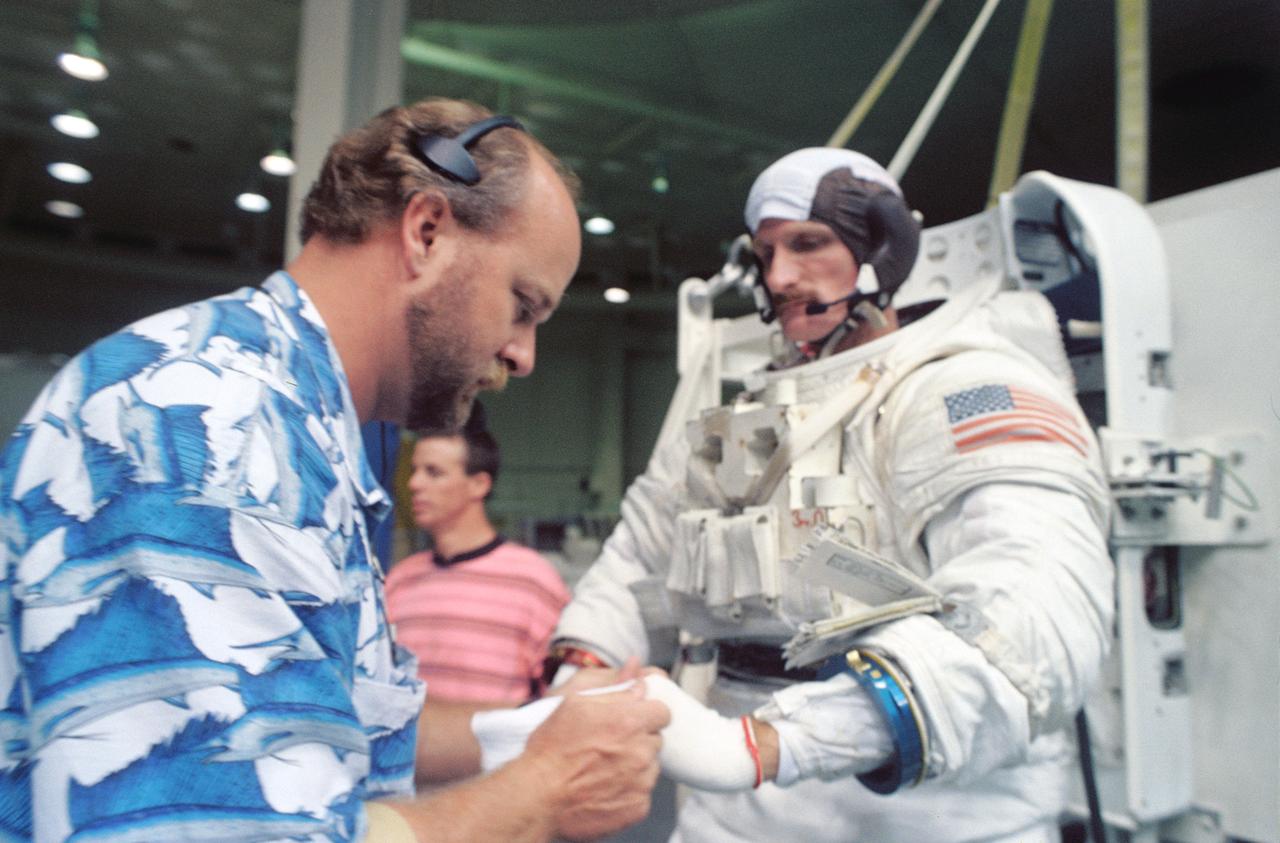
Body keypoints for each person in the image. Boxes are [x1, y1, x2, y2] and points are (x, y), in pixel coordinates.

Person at [0, 97, 668, 843]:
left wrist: (533, 728)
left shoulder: (299, 432)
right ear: (425, 232)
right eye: (522, 305)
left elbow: (331, 733)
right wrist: (544, 790)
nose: (524, 355)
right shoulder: (208, 427)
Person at [544, 148, 1114, 842]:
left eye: (809, 244)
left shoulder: (961, 387)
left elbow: (1028, 613)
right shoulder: (744, 419)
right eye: (767, 253)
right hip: (734, 814)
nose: (781, 276)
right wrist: (583, 672)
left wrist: (769, 746)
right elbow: (640, 561)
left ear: (883, 246)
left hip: (936, 819)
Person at [385, 404, 570, 704]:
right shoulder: (399, 580)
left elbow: (558, 697)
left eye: (434, 473)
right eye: (415, 470)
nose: (414, 484)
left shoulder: (533, 581)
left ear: (479, 484)